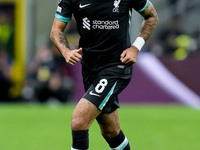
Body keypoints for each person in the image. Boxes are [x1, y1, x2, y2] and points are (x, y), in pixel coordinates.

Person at [50, 0, 158, 149]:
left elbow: (152, 16)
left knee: (78, 121)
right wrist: (65, 51)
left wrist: (135, 47)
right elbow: (56, 30)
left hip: (117, 66)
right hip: (90, 67)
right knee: (111, 131)